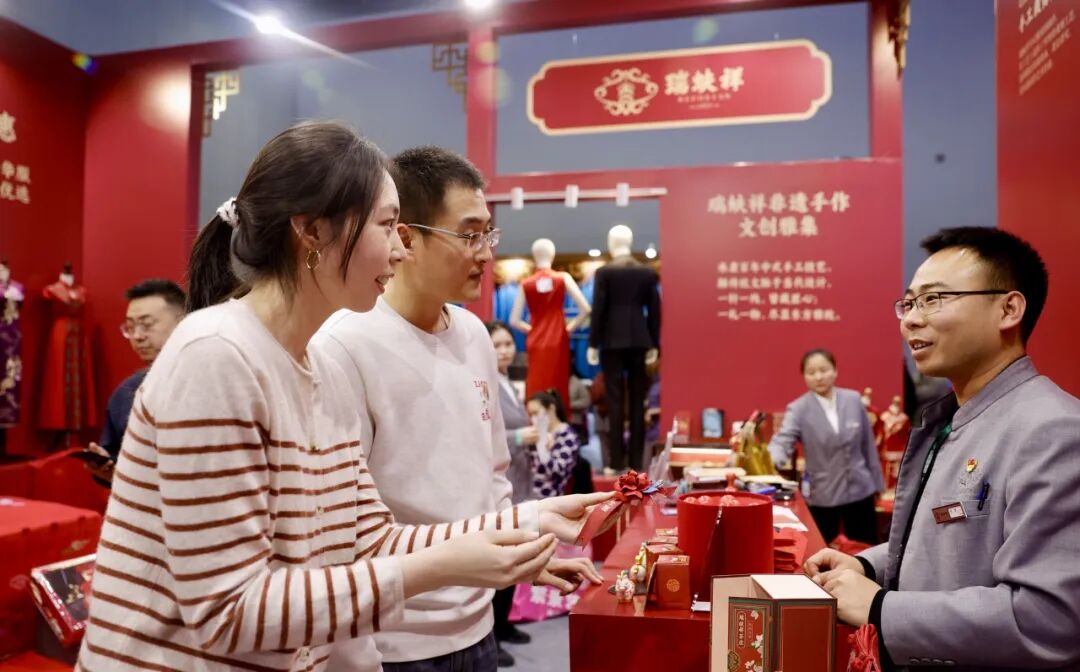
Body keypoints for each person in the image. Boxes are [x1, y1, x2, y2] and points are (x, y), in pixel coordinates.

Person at [77, 122, 608, 672]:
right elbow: (226, 613)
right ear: (313, 232)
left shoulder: (319, 368)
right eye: (386, 226)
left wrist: (532, 519)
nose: (398, 251)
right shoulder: (216, 354)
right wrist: (438, 568)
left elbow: (370, 539)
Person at [316, 146, 601, 671]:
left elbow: (490, 474)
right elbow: (344, 526)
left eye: (488, 234)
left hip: (477, 623)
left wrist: (521, 552)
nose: (486, 253)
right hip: (394, 640)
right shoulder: (344, 345)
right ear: (406, 238)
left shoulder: (472, 333)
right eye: (469, 235)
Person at [804, 227, 1080, 670]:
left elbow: (1046, 620)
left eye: (934, 299)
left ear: (1008, 309)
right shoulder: (954, 418)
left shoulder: (1054, 430)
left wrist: (880, 609)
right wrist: (869, 567)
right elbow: (947, 541)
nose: (911, 320)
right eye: (909, 303)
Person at [768, 348, 885, 544]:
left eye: (823, 370)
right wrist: (768, 460)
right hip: (822, 495)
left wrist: (878, 484)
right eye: (811, 372)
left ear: (835, 370)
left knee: (866, 549)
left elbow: (868, 446)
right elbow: (782, 441)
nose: (818, 377)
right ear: (804, 376)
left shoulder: (853, 400)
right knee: (822, 551)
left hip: (861, 490)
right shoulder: (798, 409)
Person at [84, 279, 185, 486]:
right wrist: (105, 470)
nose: (137, 336)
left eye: (147, 325)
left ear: (184, 322)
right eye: (130, 327)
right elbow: (114, 455)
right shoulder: (124, 393)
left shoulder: (209, 385)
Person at [486, 320, 539, 651]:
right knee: (501, 559)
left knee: (515, 555)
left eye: (508, 344)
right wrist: (519, 437)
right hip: (498, 481)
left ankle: (504, 625)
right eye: (497, 345)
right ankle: (493, 635)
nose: (505, 350)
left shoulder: (507, 381)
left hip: (518, 476)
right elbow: (481, 435)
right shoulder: (484, 384)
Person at [525, 390, 582, 499]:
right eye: (530, 415)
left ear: (551, 409)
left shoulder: (568, 436)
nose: (533, 419)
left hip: (549, 500)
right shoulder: (534, 433)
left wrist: (542, 448)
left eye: (536, 413)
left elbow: (558, 472)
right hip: (525, 498)